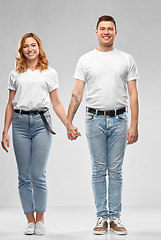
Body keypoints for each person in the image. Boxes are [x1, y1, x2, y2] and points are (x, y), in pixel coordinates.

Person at [66, 15, 139, 235]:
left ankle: (115, 217)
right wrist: (69, 120)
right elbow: (77, 92)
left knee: (115, 171)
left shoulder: (126, 59)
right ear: (96, 32)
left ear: (116, 32)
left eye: (110, 29)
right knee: (98, 170)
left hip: (119, 119)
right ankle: (101, 217)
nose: (106, 32)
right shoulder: (85, 60)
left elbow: (133, 93)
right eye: (102, 29)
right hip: (93, 119)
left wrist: (134, 124)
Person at [1, 33, 79, 235]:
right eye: (26, 46)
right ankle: (30, 220)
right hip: (19, 124)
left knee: (38, 174)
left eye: (33, 45)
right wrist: (5, 131)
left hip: (41, 123)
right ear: (22, 50)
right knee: (24, 176)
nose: (30, 49)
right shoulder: (15, 74)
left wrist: (68, 124)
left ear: (39, 47)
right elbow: (10, 104)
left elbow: (56, 103)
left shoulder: (49, 73)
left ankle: (41, 219)